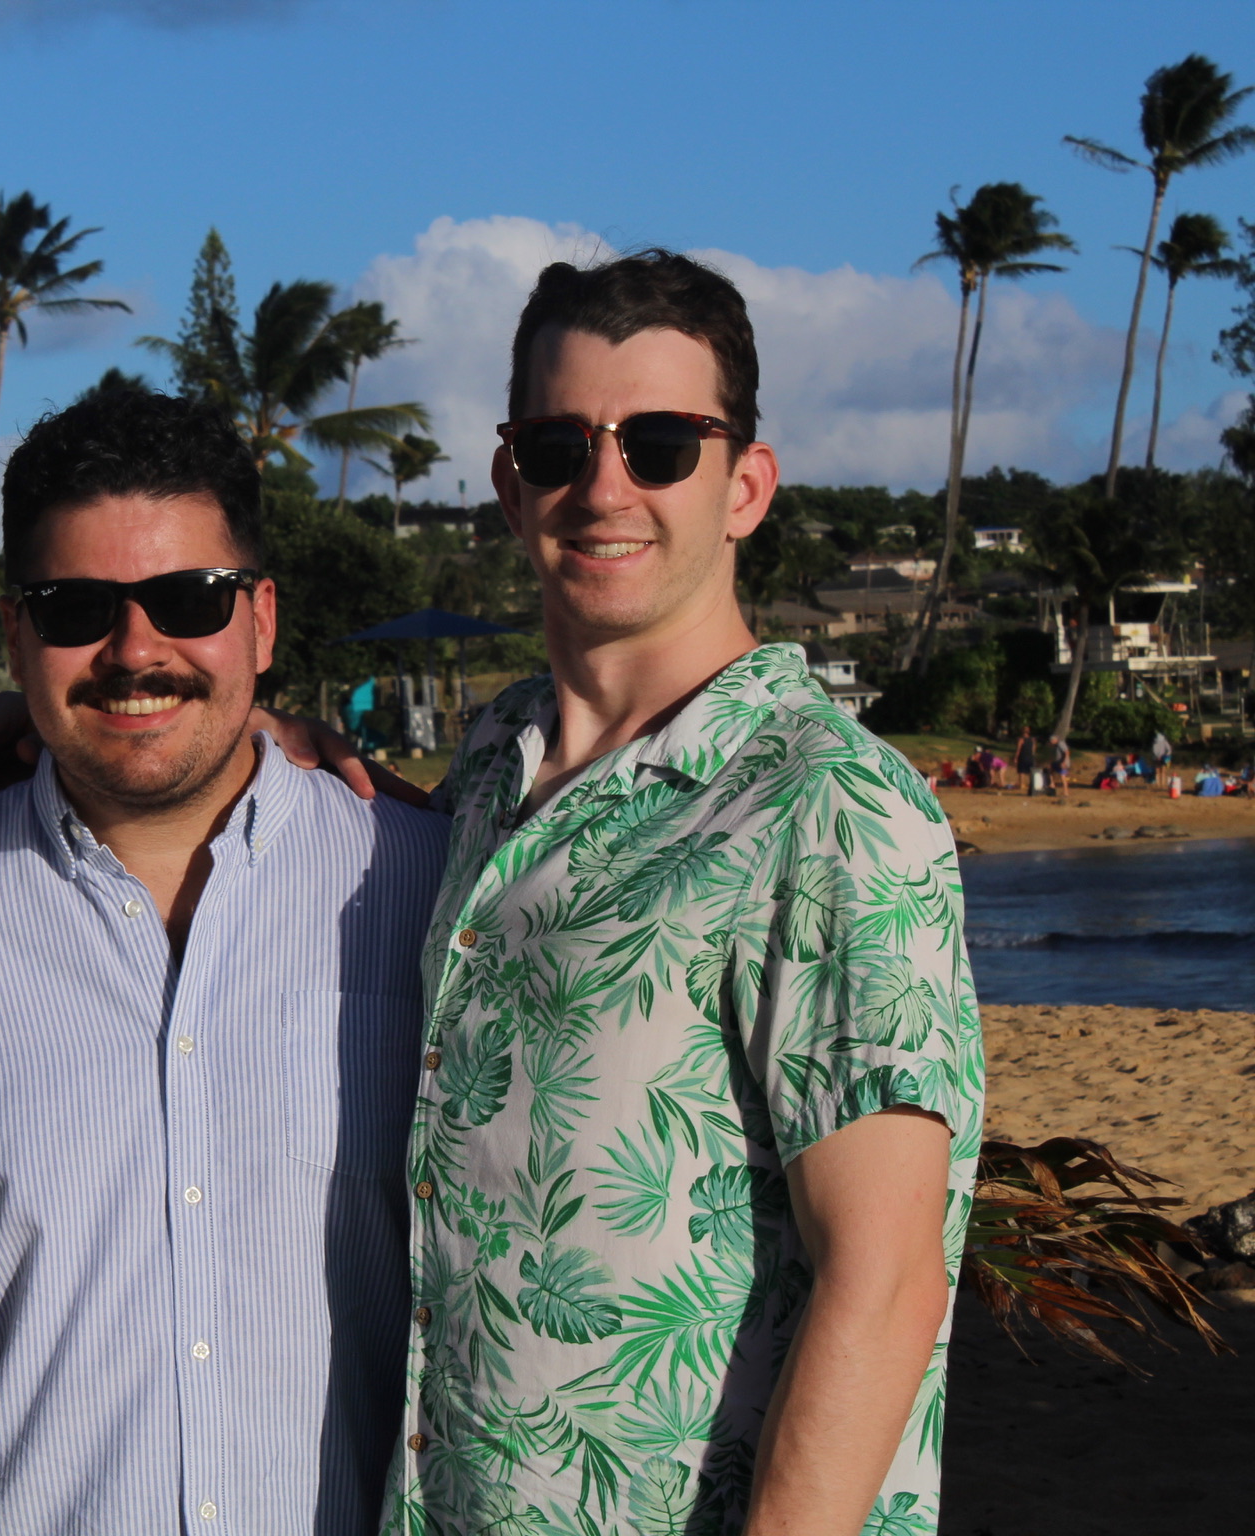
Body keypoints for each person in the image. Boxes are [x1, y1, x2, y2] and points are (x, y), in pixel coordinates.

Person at [380, 252, 982, 1536]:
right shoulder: (491, 763)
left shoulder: (825, 801)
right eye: (559, 444)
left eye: (661, 444)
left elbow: (883, 1283)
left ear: (745, 485)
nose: (606, 487)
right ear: (508, 483)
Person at [0, 390, 449, 1534]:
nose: (136, 649)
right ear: (15, 636)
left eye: (187, 600)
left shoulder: (426, 893)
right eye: (76, 609)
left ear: (260, 619)